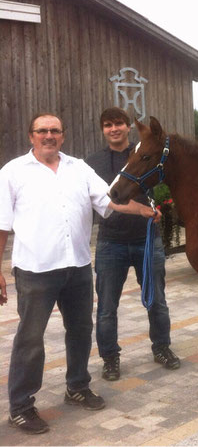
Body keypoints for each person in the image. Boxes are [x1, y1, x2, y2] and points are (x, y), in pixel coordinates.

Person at [0, 113, 159, 435]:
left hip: (77, 266)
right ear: (31, 136)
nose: (49, 135)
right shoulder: (12, 172)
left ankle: (77, 386)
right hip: (35, 270)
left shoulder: (78, 168)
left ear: (63, 135)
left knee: (80, 331)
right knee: (30, 340)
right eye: (42, 131)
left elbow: (109, 200)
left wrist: (142, 209)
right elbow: (2, 224)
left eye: (55, 131)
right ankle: (20, 406)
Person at [86, 107, 180, 384]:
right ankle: (110, 358)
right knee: (106, 306)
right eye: (108, 125)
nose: (113, 129)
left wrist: (160, 205)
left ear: (128, 127)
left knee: (158, 300)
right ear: (103, 130)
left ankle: (161, 347)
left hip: (146, 239)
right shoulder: (92, 162)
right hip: (110, 242)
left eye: (118, 124)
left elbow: (162, 182)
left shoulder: (144, 153)